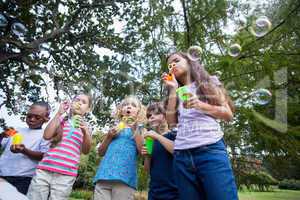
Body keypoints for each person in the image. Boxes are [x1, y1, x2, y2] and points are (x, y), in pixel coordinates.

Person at [162, 50, 238, 200]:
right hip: (181, 156)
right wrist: (172, 89)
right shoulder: (176, 91)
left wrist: (200, 105)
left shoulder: (209, 82)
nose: (173, 65)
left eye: (176, 60)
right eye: (170, 65)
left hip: (210, 151)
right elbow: (171, 123)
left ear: (189, 61)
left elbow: (228, 114)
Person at [27, 94, 93, 200]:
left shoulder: (87, 128)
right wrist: (59, 113)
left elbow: (86, 151)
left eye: (84, 102)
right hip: (45, 169)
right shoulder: (61, 120)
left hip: (66, 174)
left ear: (88, 109)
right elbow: (47, 135)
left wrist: (85, 132)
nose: (80, 103)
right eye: (77, 100)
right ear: (71, 103)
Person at [93, 96, 146, 200]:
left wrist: (134, 129)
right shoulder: (113, 129)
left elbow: (142, 151)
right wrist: (109, 136)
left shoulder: (140, 130)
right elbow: (100, 152)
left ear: (138, 112)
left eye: (133, 105)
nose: (129, 107)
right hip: (104, 176)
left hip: (124, 179)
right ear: (121, 110)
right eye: (126, 105)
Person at [0, 102, 50, 195]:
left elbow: (43, 156)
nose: (32, 119)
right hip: (2, 175)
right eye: (29, 116)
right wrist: (2, 135)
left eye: (37, 117)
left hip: (24, 178)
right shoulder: (14, 130)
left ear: (46, 119)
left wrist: (24, 151)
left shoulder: (46, 135)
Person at [141, 102, 178, 200]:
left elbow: (177, 151)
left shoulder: (174, 134)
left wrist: (157, 136)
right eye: (149, 116)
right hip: (154, 192)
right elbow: (147, 169)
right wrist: (147, 156)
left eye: (156, 113)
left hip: (175, 191)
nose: (151, 117)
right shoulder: (150, 141)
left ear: (166, 115)